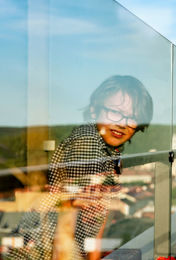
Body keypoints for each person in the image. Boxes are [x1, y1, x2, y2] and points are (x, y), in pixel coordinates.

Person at [8, 75, 153, 260]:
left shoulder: (110, 147)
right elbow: (66, 219)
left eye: (132, 117)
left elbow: (99, 212)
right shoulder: (87, 144)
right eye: (115, 112)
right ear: (94, 110)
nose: (122, 123)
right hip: (45, 249)